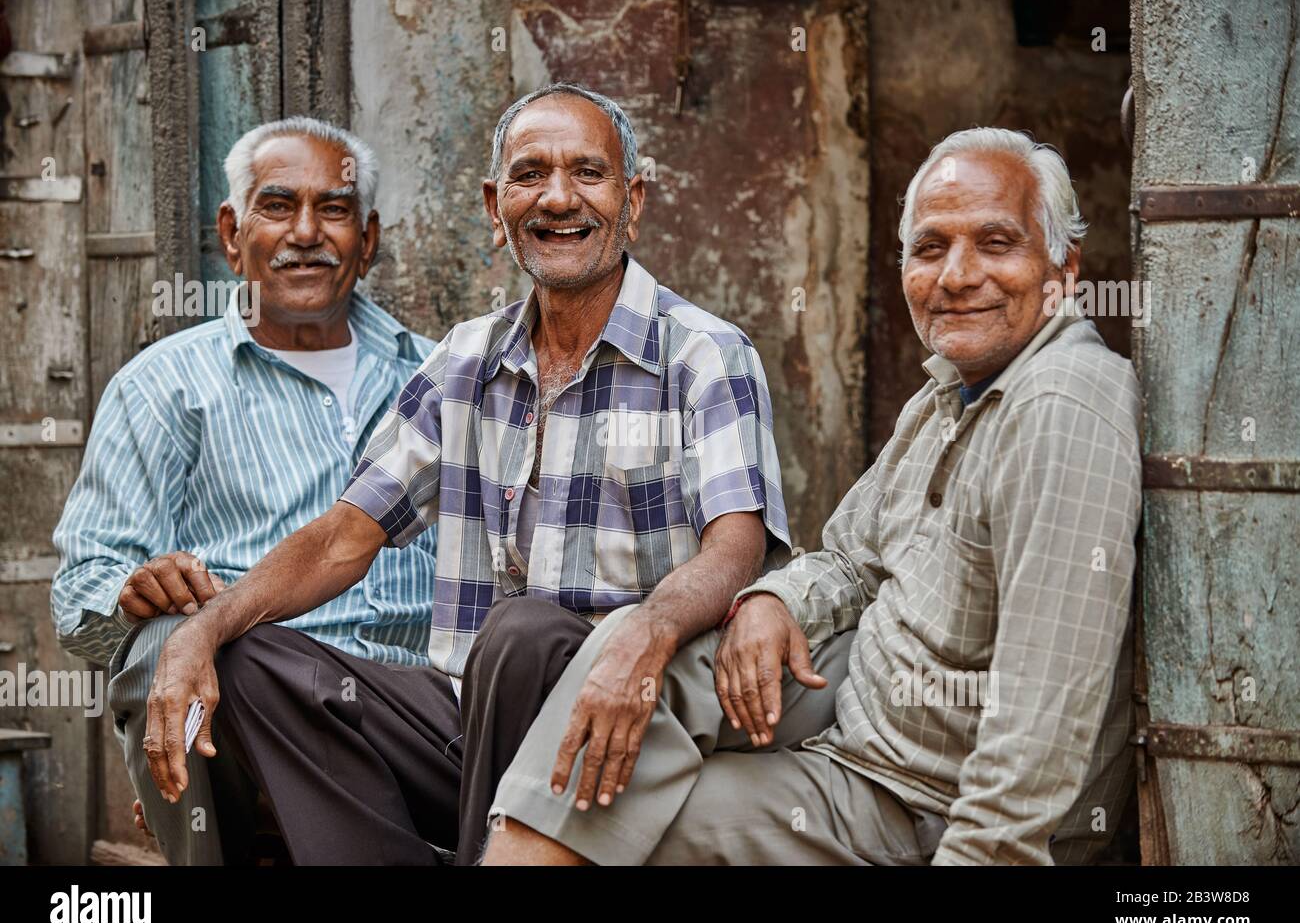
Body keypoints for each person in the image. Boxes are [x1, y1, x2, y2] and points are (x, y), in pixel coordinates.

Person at [140, 84, 789, 865]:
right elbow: (346, 535)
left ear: (632, 199)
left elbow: (737, 547)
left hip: (614, 721)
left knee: (523, 630)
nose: (557, 197)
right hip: (466, 721)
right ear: (494, 202)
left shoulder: (704, 356)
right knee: (251, 662)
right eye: (529, 174)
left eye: (588, 172)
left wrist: (648, 628)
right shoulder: (466, 359)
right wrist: (201, 631)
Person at [482, 127, 1141, 866]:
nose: (956, 276)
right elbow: (850, 557)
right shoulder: (948, 394)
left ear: (1066, 270)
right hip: (857, 725)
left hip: (929, 801)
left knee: (642, 829)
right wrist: (778, 602)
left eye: (995, 243)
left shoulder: (1063, 404)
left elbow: (1039, 726)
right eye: (930, 249)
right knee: (634, 646)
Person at [51, 116, 437, 864]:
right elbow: (78, 601)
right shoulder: (164, 387)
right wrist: (134, 594)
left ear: (370, 236)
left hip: (413, 706)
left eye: (333, 209)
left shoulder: (443, 376)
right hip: (251, 710)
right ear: (231, 234)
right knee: (178, 639)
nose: (305, 233)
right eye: (277, 205)